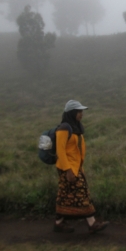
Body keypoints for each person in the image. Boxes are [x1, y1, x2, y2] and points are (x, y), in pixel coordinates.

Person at [53, 100, 109, 234]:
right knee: (81, 193)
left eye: (81, 111)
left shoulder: (77, 127)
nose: (81, 114)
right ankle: (92, 223)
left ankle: (58, 223)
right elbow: (60, 151)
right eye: (79, 111)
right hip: (68, 168)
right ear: (72, 113)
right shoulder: (64, 128)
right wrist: (68, 170)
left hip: (76, 167)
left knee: (65, 194)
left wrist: (79, 169)